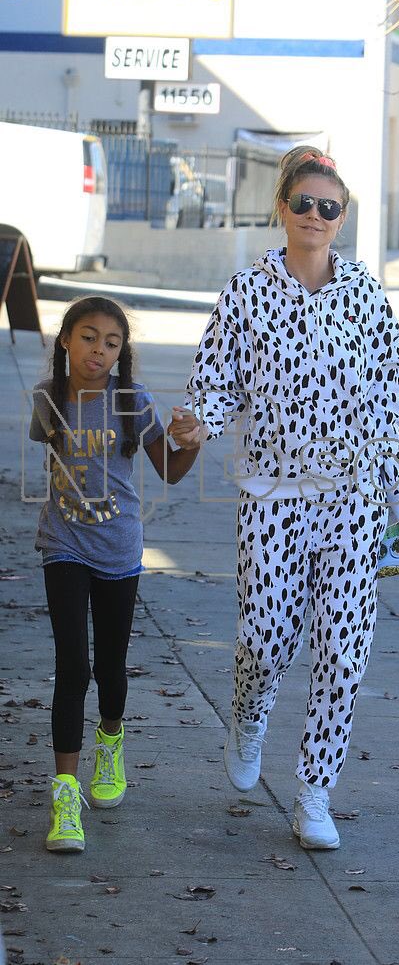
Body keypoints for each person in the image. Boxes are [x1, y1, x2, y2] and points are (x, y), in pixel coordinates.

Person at [171, 146, 399, 850]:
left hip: (351, 502)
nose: (316, 215)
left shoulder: (366, 295)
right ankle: (249, 713)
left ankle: (315, 792)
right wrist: (201, 419)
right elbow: (218, 382)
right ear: (282, 207)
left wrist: (398, 498)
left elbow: (387, 395)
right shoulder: (247, 290)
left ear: (341, 218)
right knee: (265, 637)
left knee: (344, 652)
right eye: (304, 203)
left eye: (329, 206)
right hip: (274, 496)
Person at [30, 296, 201, 853]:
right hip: (63, 544)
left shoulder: (132, 402)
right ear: (65, 341)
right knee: (72, 665)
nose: (98, 350)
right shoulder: (48, 401)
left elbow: (171, 472)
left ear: (122, 352)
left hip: (119, 548)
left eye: (110, 342)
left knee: (109, 665)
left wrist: (192, 443)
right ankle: (65, 797)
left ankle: (110, 737)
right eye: (87, 337)